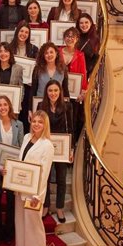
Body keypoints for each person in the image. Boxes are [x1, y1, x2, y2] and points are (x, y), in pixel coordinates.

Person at [13, 110, 55, 246]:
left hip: (34, 192)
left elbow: (44, 174)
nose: (36, 124)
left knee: (34, 224)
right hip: (21, 189)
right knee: (23, 222)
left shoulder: (47, 145)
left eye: (40, 122)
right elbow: (21, 161)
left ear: (45, 125)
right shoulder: (26, 137)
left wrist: (38, 196)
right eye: (35, 121)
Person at [0, 95, 24, 242]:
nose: (2, 107)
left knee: (11, 202)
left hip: (13, 169)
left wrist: (14, 167)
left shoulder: (18, 124)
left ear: (9, 106)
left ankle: (9, 233)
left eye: (5, 105)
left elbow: (21, 147)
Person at [37, 80, 72, 224]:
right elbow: (38, 127)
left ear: (60, 92)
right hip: (45, 146)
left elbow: (71, 128)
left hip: (62, 149)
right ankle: (45, 206)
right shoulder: (41, 106)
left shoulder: (67, 106)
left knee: (62, 179)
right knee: (44, 177)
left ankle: (59, 207)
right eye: (50, 90)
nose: (53, 93)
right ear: (46, 92)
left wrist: (71, 148)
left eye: (56, 90)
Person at [60, 27, 89, 144]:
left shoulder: (80, 55)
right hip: (58, 91)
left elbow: (83, 73)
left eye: (73, 36)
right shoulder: (57, 51)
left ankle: (71, 145)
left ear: (77, 39)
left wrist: (83, 91)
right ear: (64, 38)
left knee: (73, 119)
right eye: (68, 36)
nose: (70, 38)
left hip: (74, 93)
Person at [76, 13, 100, 79]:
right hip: (74, 70)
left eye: (86, 22)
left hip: (86, 73)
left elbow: (96, 57)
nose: (84, 25)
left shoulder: (95, 39)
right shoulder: (74, 36)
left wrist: (89, 71)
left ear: (91, 23)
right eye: (81, 23)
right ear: (78, 24)